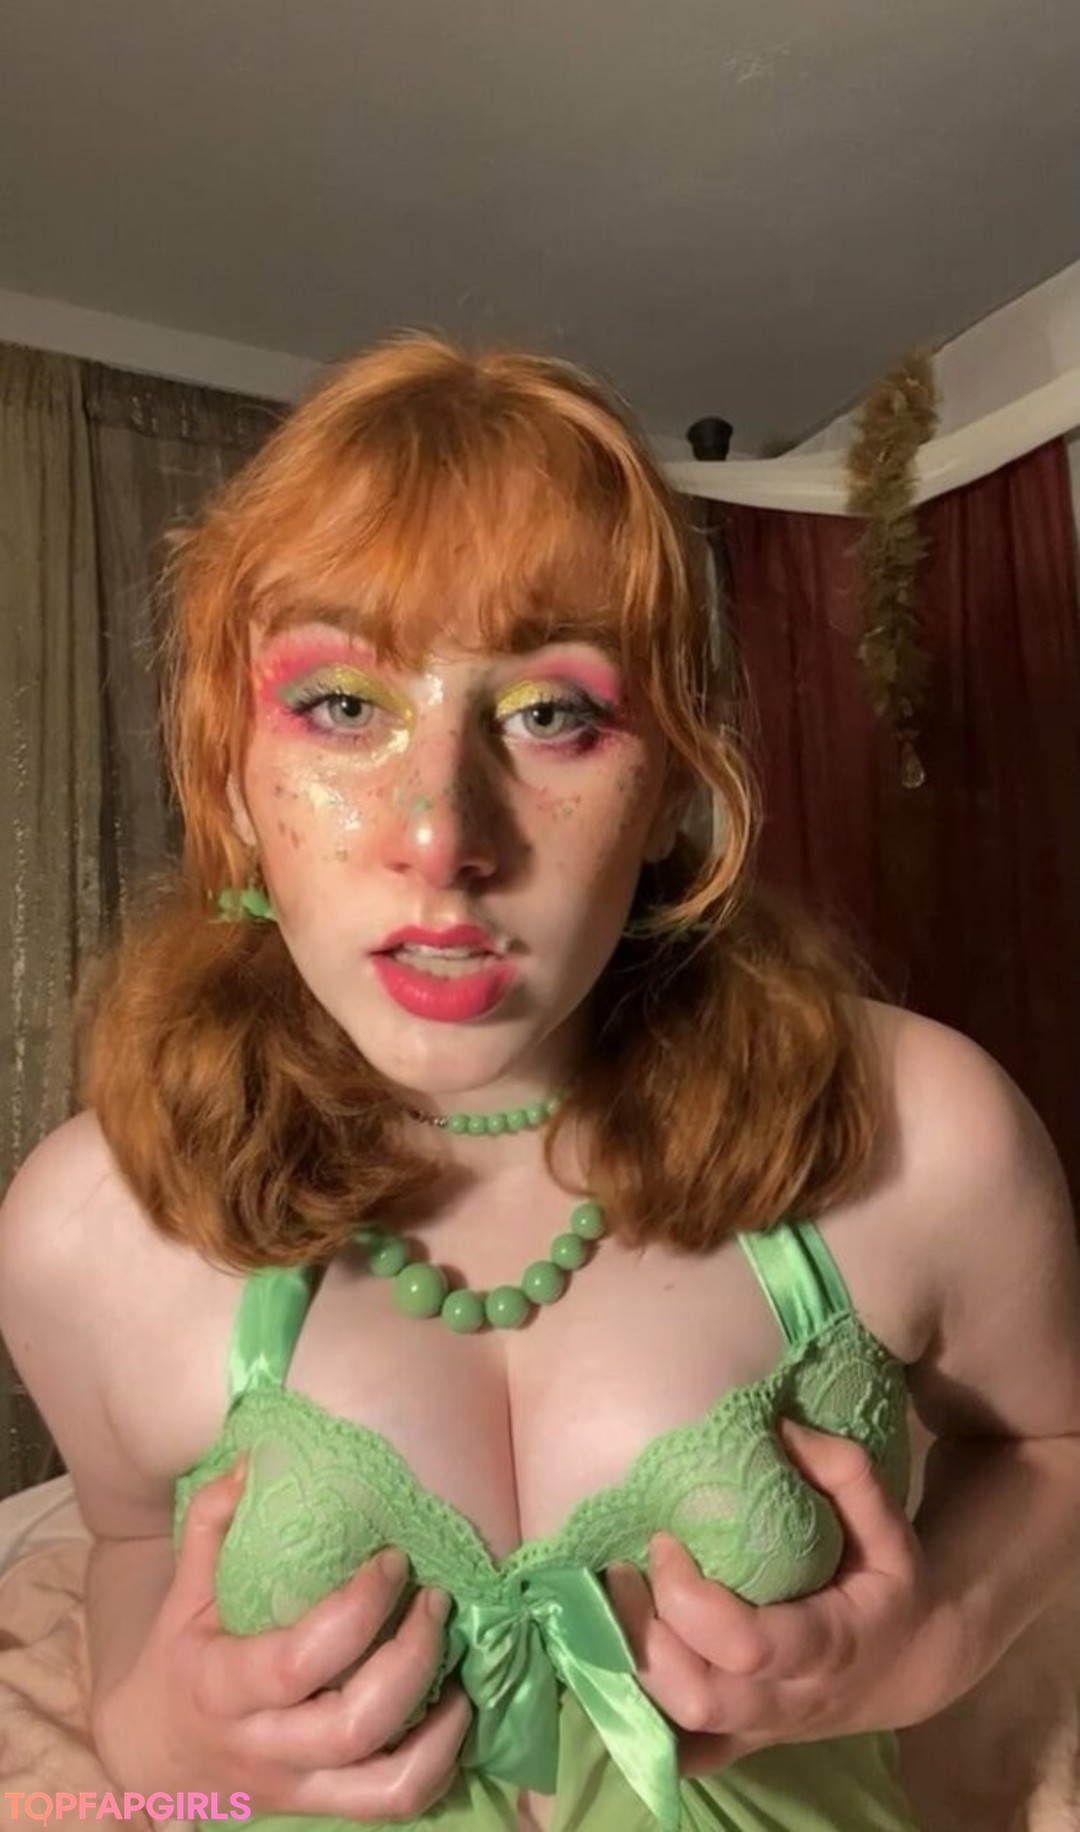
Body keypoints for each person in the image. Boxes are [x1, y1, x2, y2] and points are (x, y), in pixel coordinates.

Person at [1, 333, 1078, 1832]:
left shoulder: (923, 1133)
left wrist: (932, 1643)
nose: (441, 839)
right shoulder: (86, 1223)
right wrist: (162, 1730)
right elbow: (127, 1547)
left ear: (673, 780)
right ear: (230, 770)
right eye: (342, 706)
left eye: (552, 713)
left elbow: (1049, 1446)